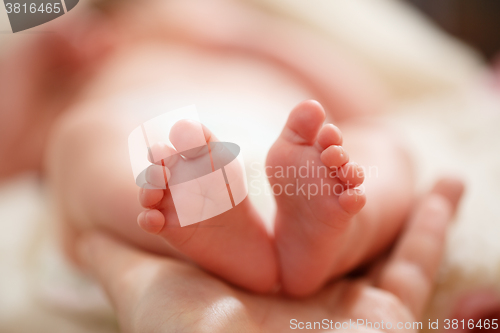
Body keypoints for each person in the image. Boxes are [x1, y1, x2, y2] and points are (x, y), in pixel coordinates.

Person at [75, 178, 463, 332]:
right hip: (253, 163)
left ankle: (335, 241)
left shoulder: (157, 34)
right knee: (380, 149)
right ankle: (344, 242)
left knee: (85, 145)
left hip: (204, 177)